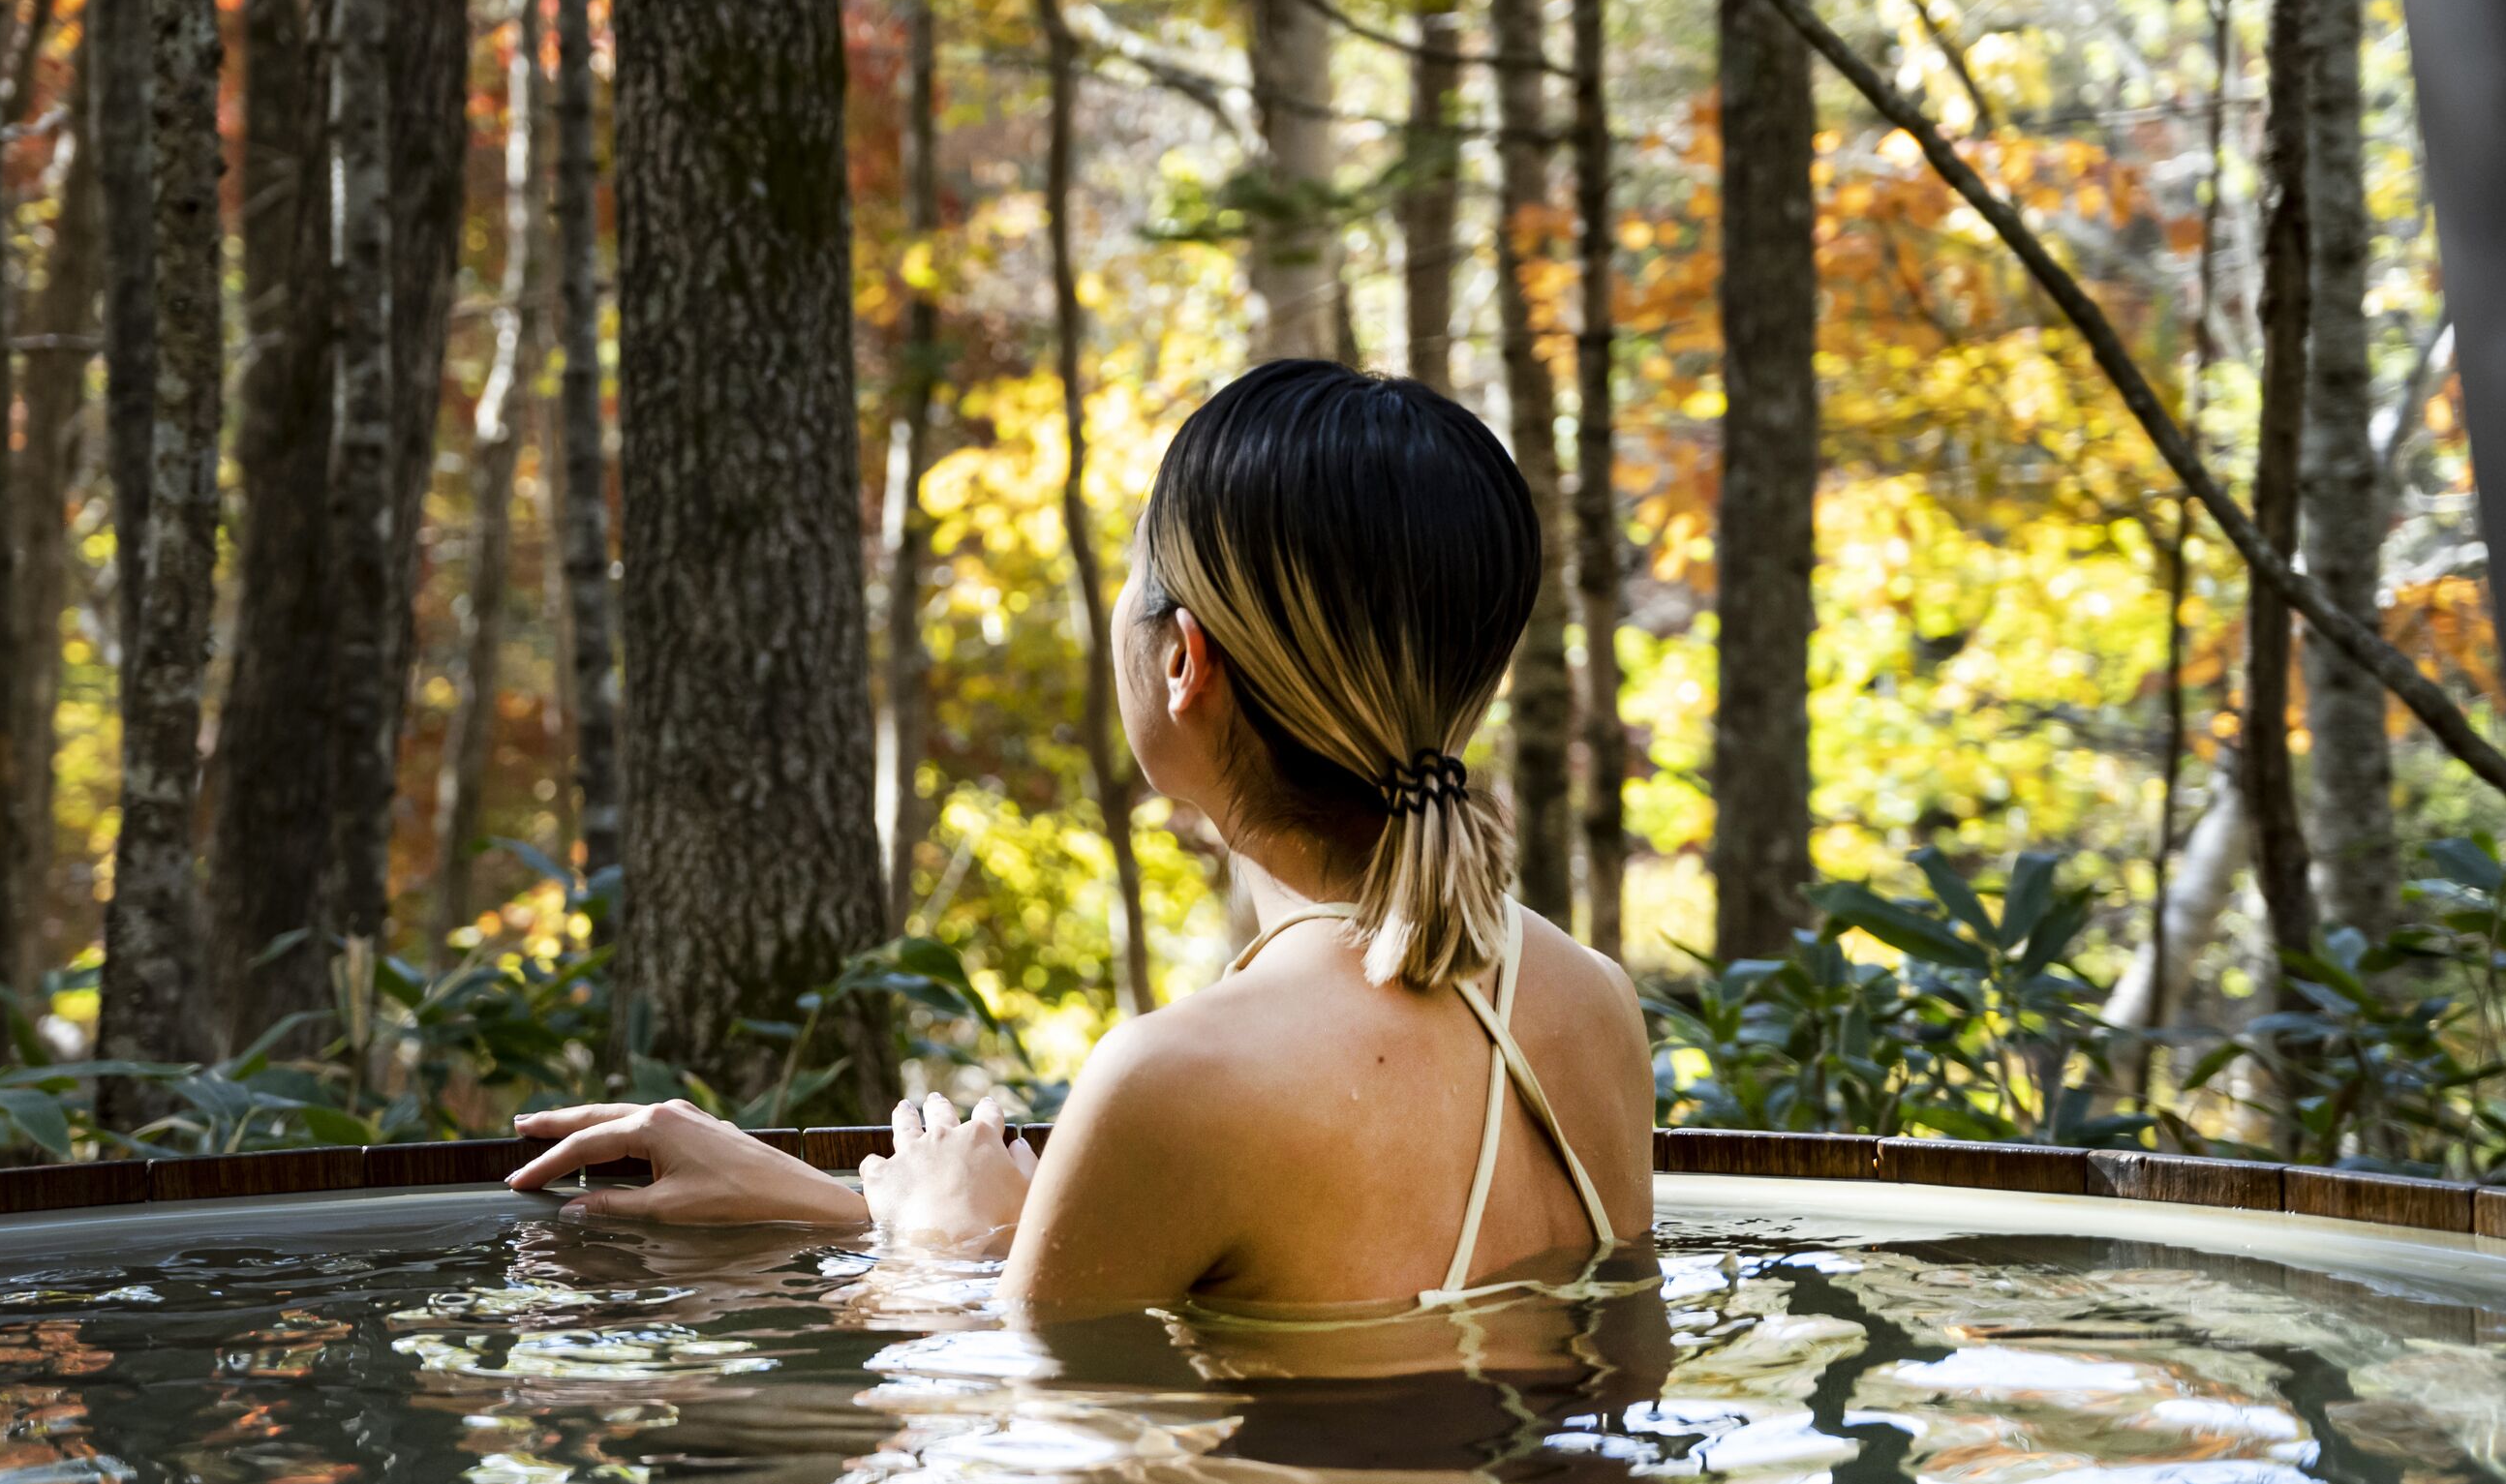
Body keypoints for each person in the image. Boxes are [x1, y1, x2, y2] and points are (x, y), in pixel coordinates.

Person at [505, 358, 1653, 1317]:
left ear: (1181, 659)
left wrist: (930, 1255)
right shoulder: (1585, 1002)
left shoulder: (1184, 1077)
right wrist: (823, 1198)